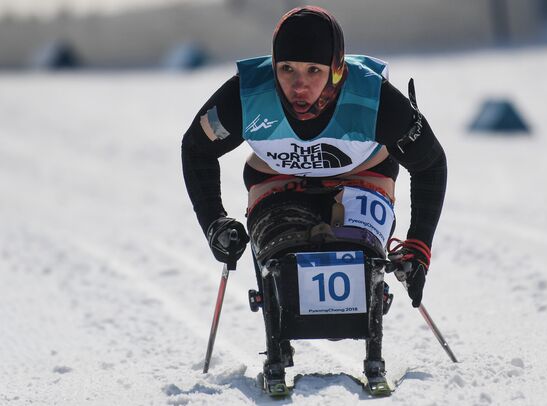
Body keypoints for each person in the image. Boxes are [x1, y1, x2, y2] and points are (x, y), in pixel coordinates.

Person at [181, 6, 446, 395]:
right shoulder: (245, 94)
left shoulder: (376, 100)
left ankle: (373, 348)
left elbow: (430, 165)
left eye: (313, 71)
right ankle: (277, 344)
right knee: (279, 252)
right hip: (277, 178)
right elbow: (196, 148)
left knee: (359, 252)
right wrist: (215, 223)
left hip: (364, 174)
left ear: (337, 69)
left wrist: (418, 246)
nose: (298, 86)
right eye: (286, 69)